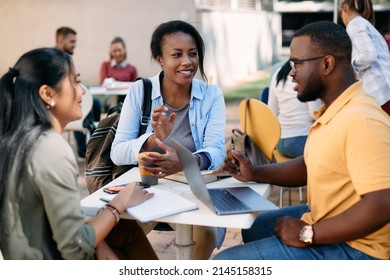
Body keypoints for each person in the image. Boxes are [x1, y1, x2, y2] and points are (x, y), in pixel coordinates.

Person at [212, 21, 390, 260]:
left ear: (327, 64)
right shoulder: (334, 109)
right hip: (328, 217)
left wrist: (308, 233)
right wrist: (255, 172)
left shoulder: (361, 120)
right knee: (255, 226)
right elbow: (309, 165)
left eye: (296, 64)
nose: (292, 72)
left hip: (360, 249)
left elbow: (382, 204)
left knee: (225, 263)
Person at [0, 47, 158, 260]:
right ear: (47, 94)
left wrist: (100, 242)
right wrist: (118, 204)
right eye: (75, 81)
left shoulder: (16, 140)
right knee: (123, 229)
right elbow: (75, 248)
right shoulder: (51, 149)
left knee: (125, 231)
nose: (82, 91)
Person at [111, 20, 226, 259]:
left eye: (193, 54)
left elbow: (216, 150)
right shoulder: (139, 91)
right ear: (159, 59)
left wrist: (188, 161)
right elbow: (117, 151)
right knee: (117, 235)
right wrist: (153, 140)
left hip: (192, 191)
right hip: (148, 189)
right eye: (177, 54)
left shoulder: (211, 95)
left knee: (206, 235)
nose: (187, 62)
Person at [55, 26, 102, 158]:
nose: (74, 45)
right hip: (62, 98)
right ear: (60, 40)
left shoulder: (66, 58)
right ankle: (84, 147)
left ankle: (94, 140)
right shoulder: (55, 59)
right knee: (86, 103)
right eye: (72, 42)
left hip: (70, 94)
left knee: (96, 103)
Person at [340, 0, 390, 115]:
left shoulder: (354, 25)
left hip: (379, 94)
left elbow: (368, 55)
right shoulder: (366, 24)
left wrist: (350, 68)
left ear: (345, 8)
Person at [268, 60, 321, 158]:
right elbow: (314, 113)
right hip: (302, 140)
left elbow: (271, 111)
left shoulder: (278, 73)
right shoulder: (307, 74)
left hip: (280, 141)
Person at [99, 36, 138, 104]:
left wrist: (113, 82)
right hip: (111, 99)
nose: (117, 53)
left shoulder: (132, 68)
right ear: (110, 52)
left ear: (124, 50)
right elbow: (103, 83)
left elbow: (134, 87)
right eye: (114, 51)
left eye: (119, 50)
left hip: (127, 99)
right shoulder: (105, 65)